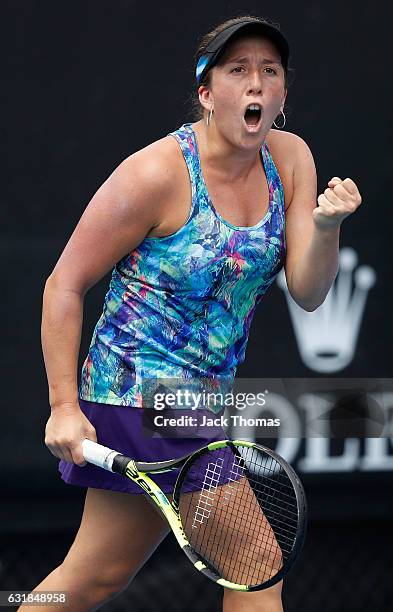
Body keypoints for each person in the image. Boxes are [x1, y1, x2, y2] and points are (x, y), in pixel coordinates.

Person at [27, 14, 362, 612]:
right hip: (138, 395)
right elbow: (63, 285)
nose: (256, 83)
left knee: (93, 579)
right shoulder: (153, 174)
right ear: (207, 94)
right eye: (238, 71)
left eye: (270, 71)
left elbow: (310, 291)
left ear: (283, 93)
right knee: (255, 565)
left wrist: (326, 227)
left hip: (200, 400)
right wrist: (62, 408)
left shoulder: (291, 159)